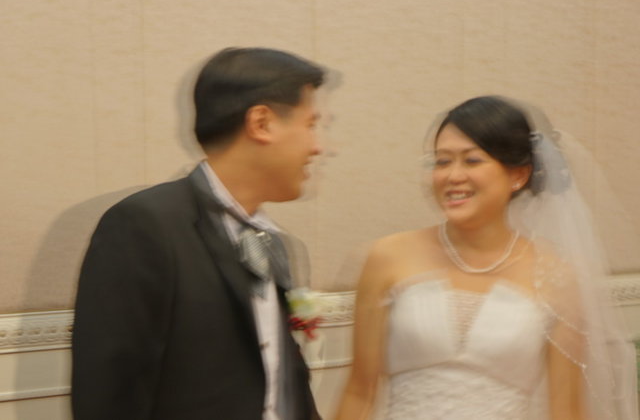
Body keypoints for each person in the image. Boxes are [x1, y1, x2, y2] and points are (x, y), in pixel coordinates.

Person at [335, 96, 638, 419]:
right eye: (442, 162)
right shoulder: (388, 257)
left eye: (472, 160)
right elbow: (359, 392)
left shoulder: (556, 276)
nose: (453, 176)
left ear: (518, 175)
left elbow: (567, 410)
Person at [72, 47, 326, 420]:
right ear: (262, 123)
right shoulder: (144, 226)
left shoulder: (270, 241)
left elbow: (280, 382)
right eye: (310, 124)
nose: (318, 147)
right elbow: (108, 395)